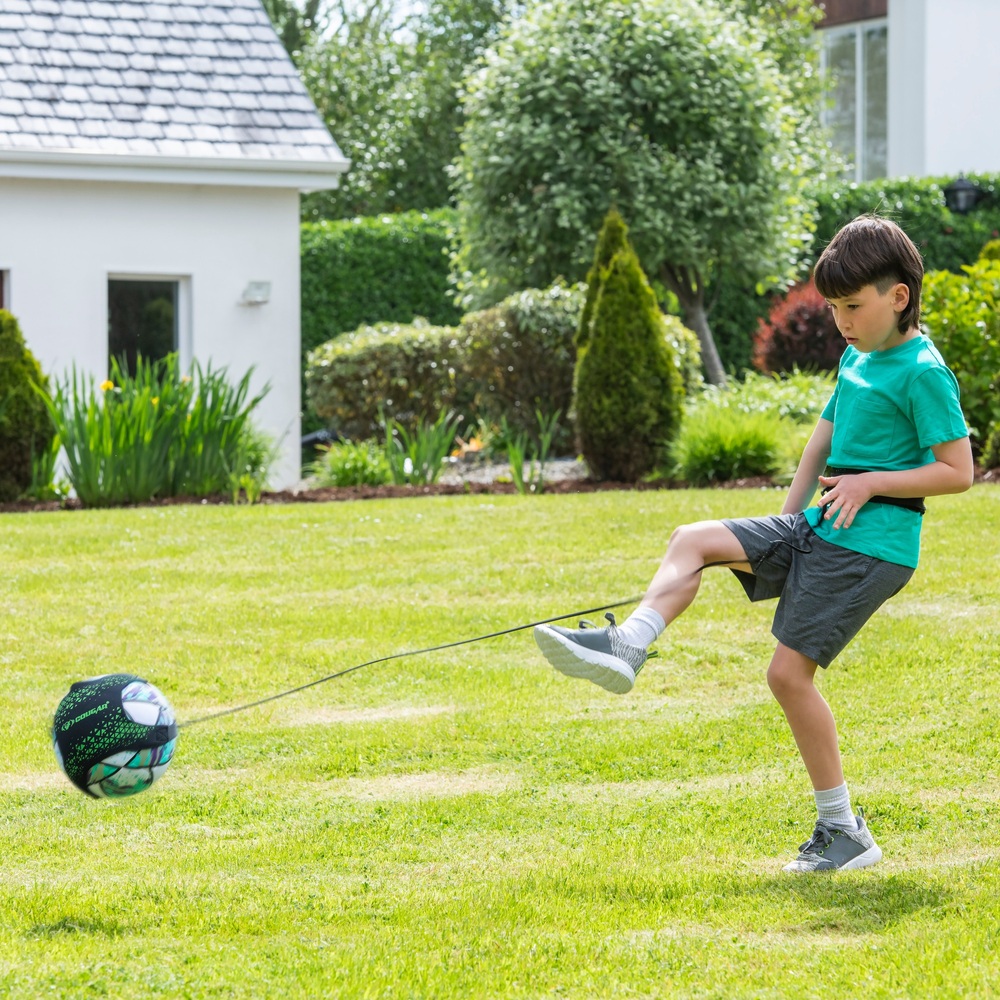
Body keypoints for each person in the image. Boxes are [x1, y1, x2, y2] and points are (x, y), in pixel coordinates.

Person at [534, 215, 974, 872]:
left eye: (853, 307)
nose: (842, 322)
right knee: (696, 539)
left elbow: (958, 471)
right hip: (818, 530)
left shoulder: (923, 372)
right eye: (834, 308)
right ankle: (631, 642)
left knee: (787, 676)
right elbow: (823, 439)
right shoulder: (859, 355)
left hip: (872, 547)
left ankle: (844, 831)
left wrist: (872, 484)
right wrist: (786, 525)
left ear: (899, 297)